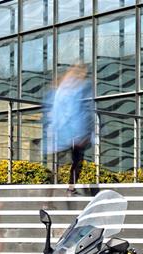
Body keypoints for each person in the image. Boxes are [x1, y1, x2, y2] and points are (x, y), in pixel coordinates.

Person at [44, 63, 94, 194]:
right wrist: (81, 133)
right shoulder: (76, 88)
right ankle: (69, 188)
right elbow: (75, 111)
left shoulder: (61, 89)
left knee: (59, 164)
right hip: (71, 133)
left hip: (61, 132)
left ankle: (48, 198)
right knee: (75, 161)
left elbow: (53, 109)